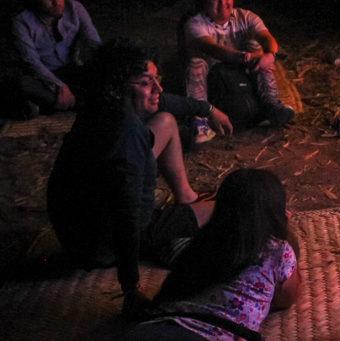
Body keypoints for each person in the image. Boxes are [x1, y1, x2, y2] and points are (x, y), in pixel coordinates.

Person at [47, 39, 233, 316]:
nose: (157, 88)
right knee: (224, 208)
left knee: (166, 121)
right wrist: (130, 287)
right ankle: (164, 244)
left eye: (156, 79)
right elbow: (127, 215)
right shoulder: (125, 136)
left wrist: (207, 109)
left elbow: (164, 101)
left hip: (81, 227)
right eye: (147, 82)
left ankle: (186, 199)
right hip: (101, 244)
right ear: (120, 86)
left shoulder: (103, 104)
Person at [68, 168, 300, 341]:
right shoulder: (278, 251)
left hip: (147, 334)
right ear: (276, 213)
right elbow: (286, 298)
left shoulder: (200, 243)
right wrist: (284, 233)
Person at [183, 0, 294, 142]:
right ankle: (200, 120)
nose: (223, 4)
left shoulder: (245, 17)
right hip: (212, 77)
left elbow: (266, 38)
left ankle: (271, 105)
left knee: (255, 45)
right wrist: (247, 57)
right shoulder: (195, 23)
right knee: (196, 63)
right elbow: (213, 49)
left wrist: (270, 56)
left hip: (241, 72)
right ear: (205, 2)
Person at [6, 0, 99, 118]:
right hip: (44, 77)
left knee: (104, 72)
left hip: (73, 70)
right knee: (23, 84)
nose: (57, 2)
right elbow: (32, 62)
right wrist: (58, 84)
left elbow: (94, 43)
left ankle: (59, 104)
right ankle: (78, 102)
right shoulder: (22, 22)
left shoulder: (75, 9)